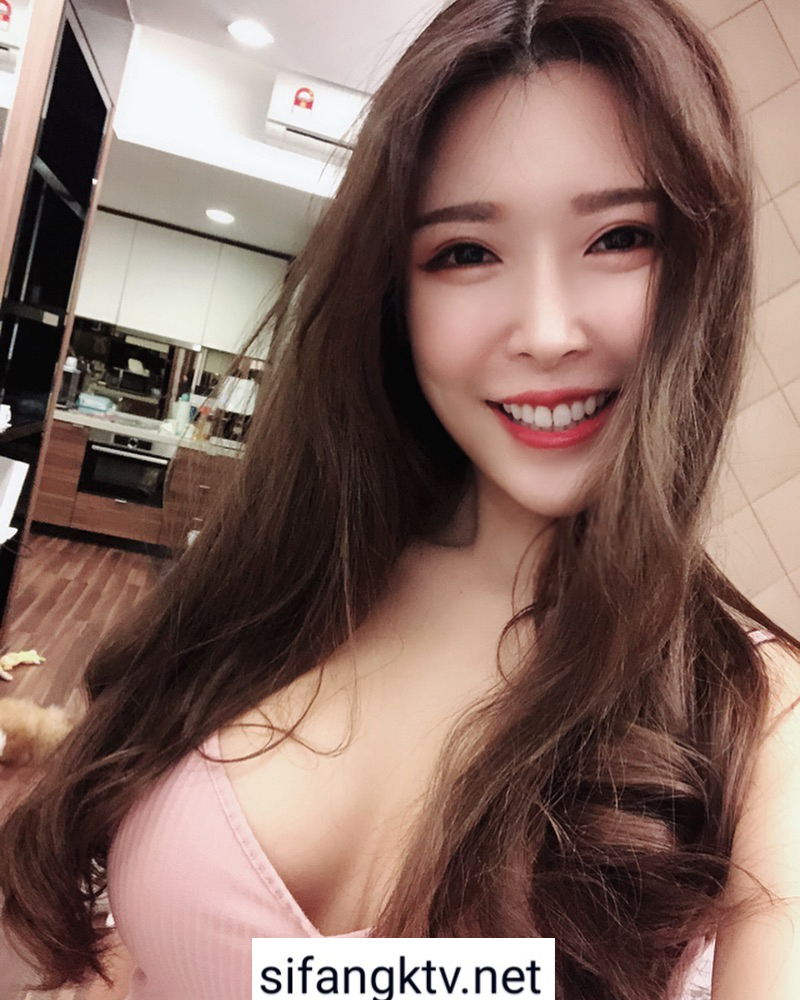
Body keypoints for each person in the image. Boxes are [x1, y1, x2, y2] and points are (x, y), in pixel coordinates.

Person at [2, 0, 800, 997]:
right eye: (465, 251)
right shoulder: (304, 563)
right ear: (395, 291)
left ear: (697, 266)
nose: (545, 331)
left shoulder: (759, 719)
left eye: (617, 237)